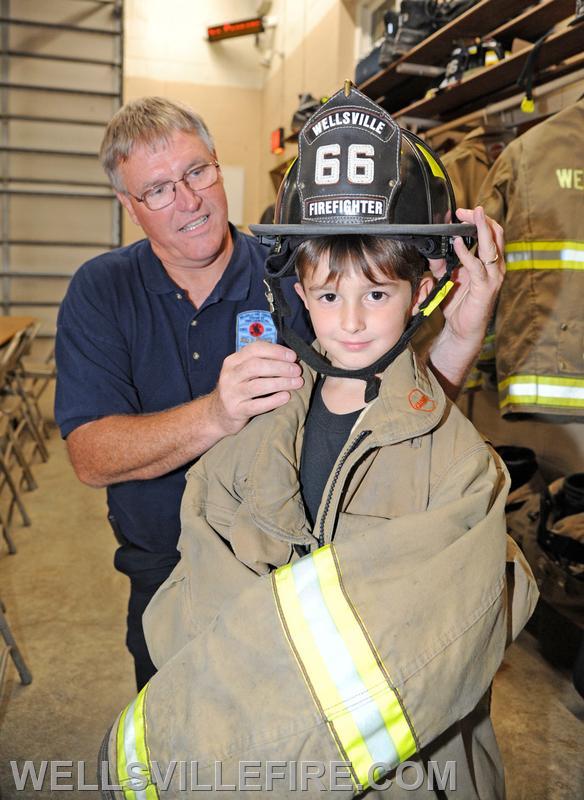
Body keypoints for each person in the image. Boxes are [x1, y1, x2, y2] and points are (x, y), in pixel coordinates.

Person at [101, 85, 537, 799]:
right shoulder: (244, 447)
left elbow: (443, 647)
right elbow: (191, 607)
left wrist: (466, 328)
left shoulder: (465, 469)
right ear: (298, 296)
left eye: (378, 294)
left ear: (423, 288)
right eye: (330, 295)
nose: (355, 321)